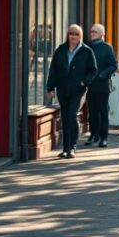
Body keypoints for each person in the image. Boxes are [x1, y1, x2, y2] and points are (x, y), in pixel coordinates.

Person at [46, 25, 97, 158]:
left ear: (80, 36)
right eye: (71, 34)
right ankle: (65, 148)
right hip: (63, 89)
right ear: (68, 35)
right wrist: (50, 88)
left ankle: (72, 147)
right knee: (65, 117)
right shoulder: (61, 50)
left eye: (76, 34)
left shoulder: (87, 51)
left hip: (78, 90)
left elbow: (93, 70)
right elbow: (54, 70)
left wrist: (84, 82)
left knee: (72, 114)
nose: (73, 36)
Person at [86, 24, 117, 148]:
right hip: (90, 84)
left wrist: (102, 75)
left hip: (103, 85)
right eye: (91, 31)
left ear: (101, 34)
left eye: (95, 31)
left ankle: (104, 138)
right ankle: (94, 134)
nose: (92, 33)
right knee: (92, 112)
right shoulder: (88, 47)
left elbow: (113, 65)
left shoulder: (107, 47)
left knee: (103, 111)